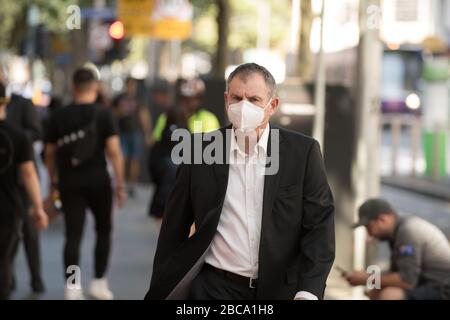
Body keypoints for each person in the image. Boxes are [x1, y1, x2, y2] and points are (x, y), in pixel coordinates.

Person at [145, 63, 335, 300]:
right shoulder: (198, 152)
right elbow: (173, 230)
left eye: (254, 99)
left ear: (272, 105)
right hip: (215, 289)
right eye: (236, 98)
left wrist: (309, 291)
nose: (243, 107)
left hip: (281, 291)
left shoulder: (302, 153)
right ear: (226, 100)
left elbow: (319, 226)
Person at [44, 68, 126, 300]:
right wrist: (119, 185)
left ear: (73, 87)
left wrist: (53, 181)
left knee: (73, 234)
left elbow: (49, 153)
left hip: (69, 181)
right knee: (104, 231)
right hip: (99, 180)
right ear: (96, 87)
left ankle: (72, 287)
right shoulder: (104, 114)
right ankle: (99, 283)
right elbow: (114, 152)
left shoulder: (57, 116)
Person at [345, 198, 450, 300]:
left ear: (382, 219)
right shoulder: (398, 230)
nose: (370, 234)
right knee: (378, 290)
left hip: (442, 288)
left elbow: (406, 280)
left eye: (369, 227)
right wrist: (369, 278)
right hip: (429, 284)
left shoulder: (408, 231)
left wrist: (368, 279)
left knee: (390, 295)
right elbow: (397, 273)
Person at [0, 81, 48, 300]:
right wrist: (40, 208)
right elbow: (29, 173)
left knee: (22, 239)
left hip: (13, 198)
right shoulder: (16, 135)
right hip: (9, 202)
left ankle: (33, 279)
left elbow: (28, 172)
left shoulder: (24, 109)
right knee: (4, 256)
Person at [112, 77, 152, 198]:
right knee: (122, 158)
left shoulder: (139, 99)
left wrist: (148, 133)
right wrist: (119, 112)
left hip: (135, 132)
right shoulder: (119, 98)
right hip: (122, 132)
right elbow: (112, 113)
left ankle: (132, 184)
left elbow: (144, 116)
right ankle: (121, 182)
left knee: (135, 159)